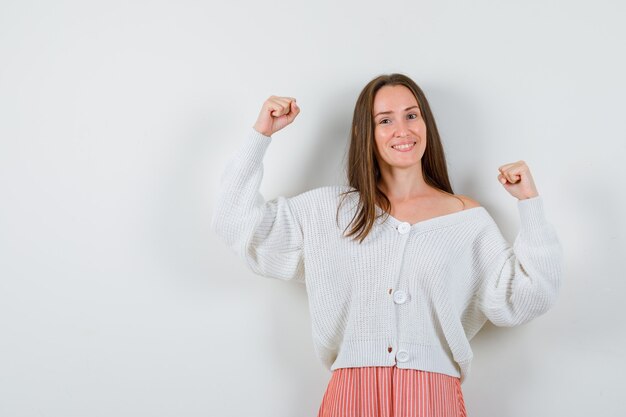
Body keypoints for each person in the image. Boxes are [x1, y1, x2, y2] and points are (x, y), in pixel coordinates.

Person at [210, 73, 564, 417]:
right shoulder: (329, 211)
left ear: (426, 125)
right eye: (385, 120)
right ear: (366, 132)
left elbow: (530, 296)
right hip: (352, 395)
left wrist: (529, 203)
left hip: (432, 396)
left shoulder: (466, 220)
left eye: (411, 115)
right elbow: (236, 221)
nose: (403, 130)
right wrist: (261, 135)